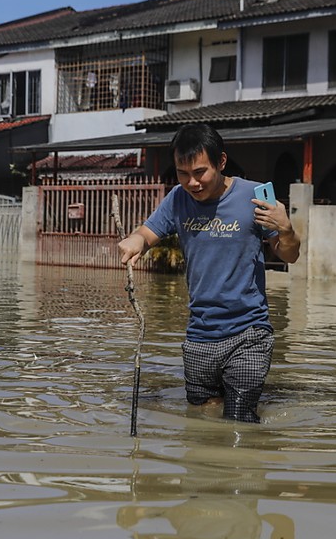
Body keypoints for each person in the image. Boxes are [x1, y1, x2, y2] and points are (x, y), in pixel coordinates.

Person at [118, 123, 300, 423]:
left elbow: (289, 254)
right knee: (203, 420)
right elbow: (147, 233)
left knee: (239, 418)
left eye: (200, 172)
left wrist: (287, 228)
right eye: (183, 173)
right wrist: (136, 241)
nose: (192, 183)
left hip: (249, 332)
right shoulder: (178, 199)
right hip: (199, 335)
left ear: (221, 162)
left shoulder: (253, 196)